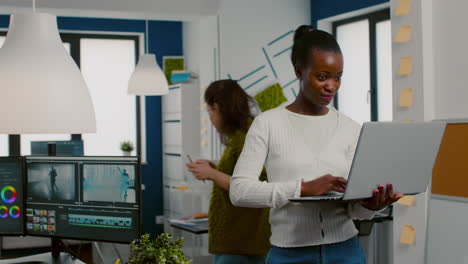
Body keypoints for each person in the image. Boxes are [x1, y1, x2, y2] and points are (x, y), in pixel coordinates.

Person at [229, 25, 403, 264]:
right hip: (289, 255)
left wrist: (371, 206)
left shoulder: (350, 128)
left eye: (338, 77)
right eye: (322, 77)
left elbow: (354, 210)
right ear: (299, 71)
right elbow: (239, 192)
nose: (331, 86)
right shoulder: (267, 123)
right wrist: (302, 188)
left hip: (347, 252)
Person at [186, 79, 270, 264]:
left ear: (217, 107)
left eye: (209, 111)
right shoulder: (242, 134)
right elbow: (239, 174)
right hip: (237, 238)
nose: (209, 117)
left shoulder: (246, 138)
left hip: (242, 240)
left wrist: (212, 174)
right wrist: (213, 168)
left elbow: (251, 188)